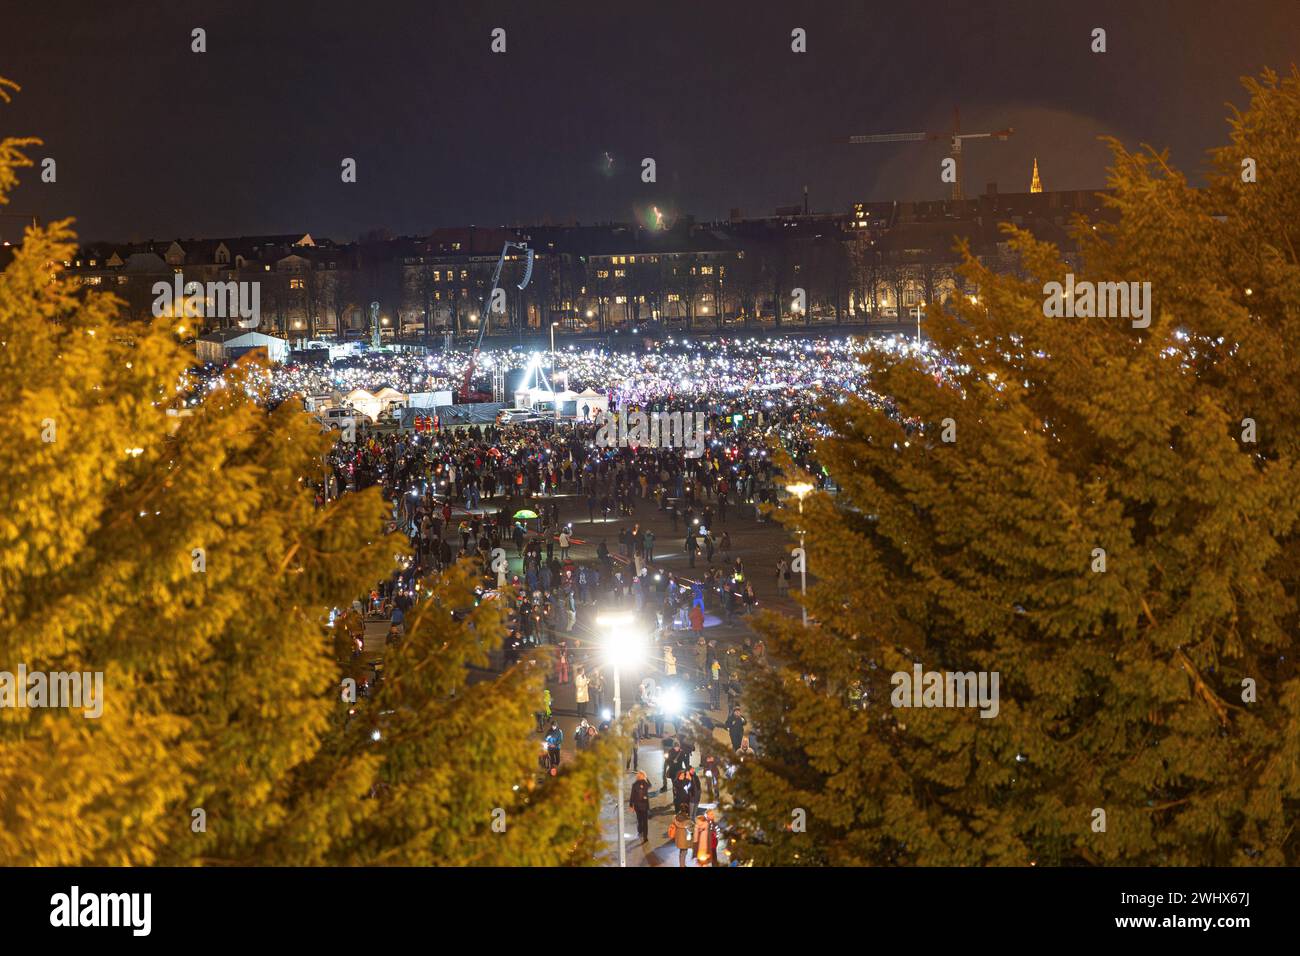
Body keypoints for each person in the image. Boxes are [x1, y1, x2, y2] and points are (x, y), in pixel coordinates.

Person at [630, 771, 651, 843]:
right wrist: (631, 805)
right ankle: (640, 830)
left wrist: (646, 777)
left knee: (644, 821)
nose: (641, 776)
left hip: (644, 805)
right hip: (638, 806)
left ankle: (645, 836)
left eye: (642, 775)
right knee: (640, 820)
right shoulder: (635, 784)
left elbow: (650, 786)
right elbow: (632, 795)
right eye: (641, 775)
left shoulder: (645, 783)